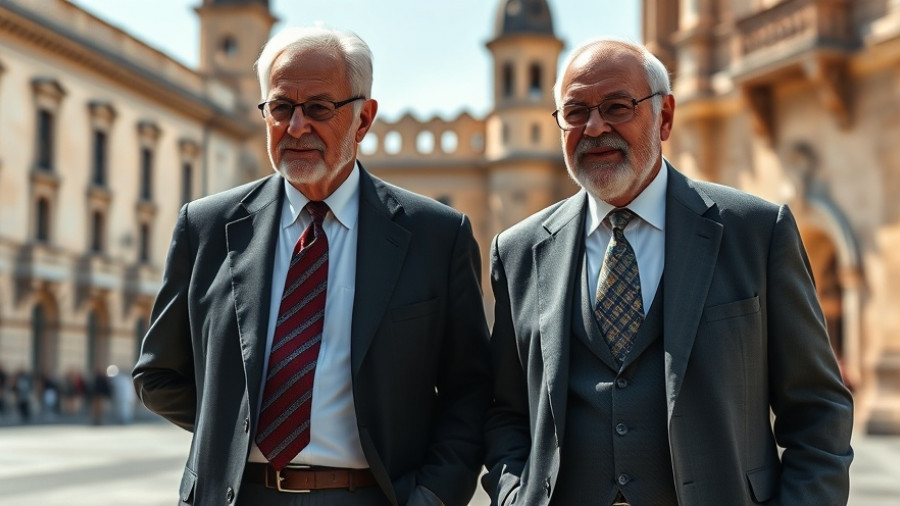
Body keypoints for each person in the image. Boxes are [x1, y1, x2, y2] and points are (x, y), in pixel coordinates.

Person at [482, 38, 854, 505]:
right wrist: (515, 494)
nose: (594, 127)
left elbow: (819, 412)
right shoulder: (518, 251)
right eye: (575, 112)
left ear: (666, 117)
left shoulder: (756, 232)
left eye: (617, 106)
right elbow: (505, 413)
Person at [133, 26, 491, 506]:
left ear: (363, 119)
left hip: (374, 496)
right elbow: (158, 375)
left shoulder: (437, 235)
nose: (296, 127)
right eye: (281, 108)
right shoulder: (207, 226)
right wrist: (238, 429)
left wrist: (433, 496)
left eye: (319, 108)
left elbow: (470, 391)